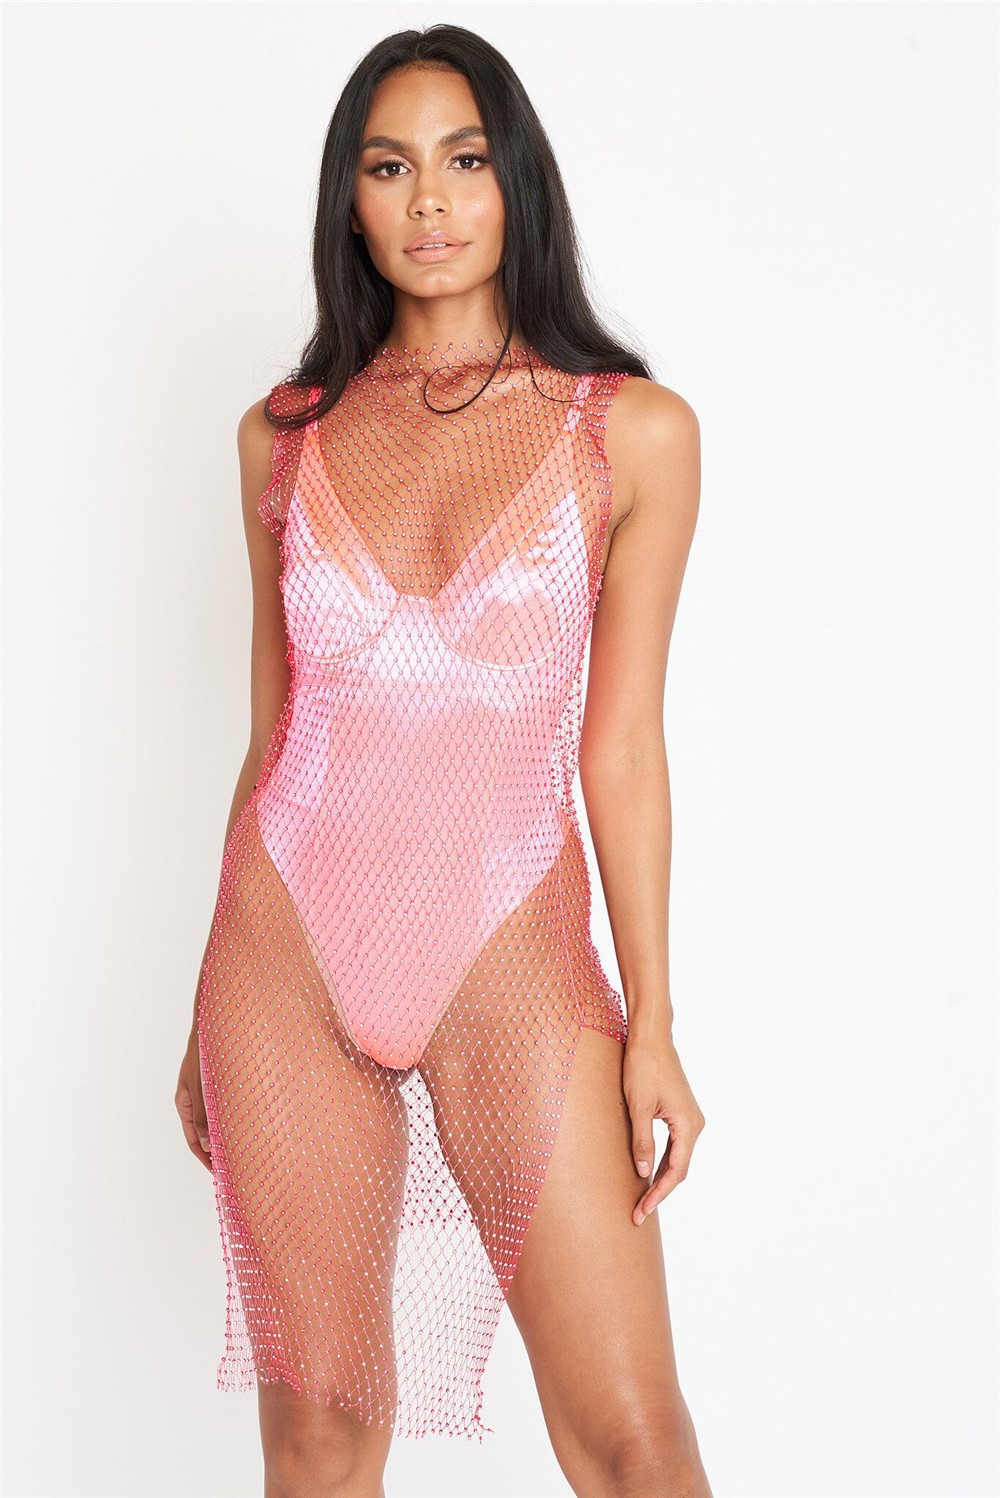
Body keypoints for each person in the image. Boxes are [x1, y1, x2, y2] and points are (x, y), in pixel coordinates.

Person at [175, 22, 711, 1498]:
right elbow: (273, 736)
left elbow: (623, 748)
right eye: (388, 166)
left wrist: (653, 1020)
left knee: (633, 1438)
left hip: (509, 954)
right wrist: (203, 1010)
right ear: (348, 202)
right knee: (319, 1444)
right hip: (283, 955)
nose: (429, 201)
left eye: (465, 161)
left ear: (515, 180)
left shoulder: (634, 434)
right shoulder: (281, 440)